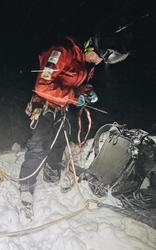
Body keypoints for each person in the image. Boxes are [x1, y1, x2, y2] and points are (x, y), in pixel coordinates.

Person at [19, 35, 129, 214]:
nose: (97, 62)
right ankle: (26, 185)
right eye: (98, 57)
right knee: (39, 146)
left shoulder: (85, 64)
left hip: (62, 108)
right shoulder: (61, 52)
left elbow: (75, 85)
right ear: (90, 48)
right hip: (45, 105)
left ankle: (51, 171)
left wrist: (87, 91)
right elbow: (42, 86)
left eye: (101, 61)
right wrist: (74, 96)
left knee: (61, 141)